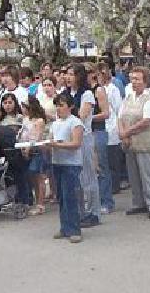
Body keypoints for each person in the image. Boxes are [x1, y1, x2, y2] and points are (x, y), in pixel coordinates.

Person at [118, 66, 150, 219]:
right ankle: (138, 203)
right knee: (133, 175)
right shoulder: (128, 97)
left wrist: (127, 132)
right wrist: (123, 134)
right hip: (130, 143)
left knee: (147, 174)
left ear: (145, 81)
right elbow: (120, 117)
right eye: (132, 79)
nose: (133, 82)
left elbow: (147, 121)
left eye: (137, 79)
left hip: (145, 143)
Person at [65, 63, 101, 228]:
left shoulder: (86, 94)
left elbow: (82, 115)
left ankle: (93, 212)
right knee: (76, 179)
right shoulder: (65, 93)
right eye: (67, 74)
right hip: (69, 138)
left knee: (88, 176)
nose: (68, 77)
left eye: (71, 74)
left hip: (84, 137)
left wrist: (66, 111)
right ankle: (80, 211)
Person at [47, 93, 85, 243]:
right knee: (61, 197)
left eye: (62, 105)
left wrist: (57, 145)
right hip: (58, 162)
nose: (58, 108)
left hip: (71, 164)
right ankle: (65, 227)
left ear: (70, 106)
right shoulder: (55, 123)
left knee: (71, 196)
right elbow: (50, 141)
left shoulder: (75, 122)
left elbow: (76, 144)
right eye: (57, 105)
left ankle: (75, 229)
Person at [88, 63, 113, 213]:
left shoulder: (98, 90)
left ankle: (106, 201)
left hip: (98, 131)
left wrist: (88, 118)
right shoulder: (84, 92)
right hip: (87, 132)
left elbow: (106, 113)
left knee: (101, 167)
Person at [19, 96, 48, 216]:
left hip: (36, 151)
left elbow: (37, 137)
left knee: (39, 177)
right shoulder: (25, 119)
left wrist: (29, 148)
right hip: (25, 148)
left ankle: (41, 204)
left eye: (25, 106)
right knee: (32, 177)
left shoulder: (39, 121)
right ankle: (37, 201)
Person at [102, 66, 125, 195]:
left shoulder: (113, 89)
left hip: (112, 126)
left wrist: (119, 125)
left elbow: (118, 109)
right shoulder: (97, 90)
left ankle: (115, 185)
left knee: (113, 159)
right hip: (102, 127)